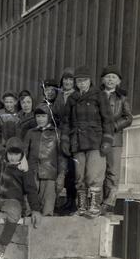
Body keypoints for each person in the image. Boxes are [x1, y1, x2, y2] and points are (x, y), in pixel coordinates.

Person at [61, 65, 114, 218]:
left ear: (90, 81)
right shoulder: (72, 99)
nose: (81, 84)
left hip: (95, 141)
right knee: (79, 176)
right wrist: (65, 141)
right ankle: (82, 207)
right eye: (79, 81)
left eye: (84, 80)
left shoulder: (99, 95)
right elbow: (66, 122)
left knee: (93, 174)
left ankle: (95, 207)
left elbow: (108, 120)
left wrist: (107, 140)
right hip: (77, 143)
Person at [100, 65, 133, 213]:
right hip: (98, 139)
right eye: (108, 77)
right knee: (99, 171)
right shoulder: (97, 95)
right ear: (102, 80)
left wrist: (114, 126)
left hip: (114, 140)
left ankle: (108, 203)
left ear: (118, 81)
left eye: (114, 77)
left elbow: (128, 118)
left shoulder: (122, 98)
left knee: (112, 172)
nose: (110, 80)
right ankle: (97, 202)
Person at [24, 103, 67, 216]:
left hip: (50, 174)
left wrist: (61, 174)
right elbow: (24, 153)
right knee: (30, 207)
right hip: (32, 172)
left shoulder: (57, 133)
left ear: (49, 117)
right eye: (38, 116)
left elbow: (61, 156)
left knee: (47, 210)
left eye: (43, 116)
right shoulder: (30, 133)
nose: (40, 119)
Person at [54, 68, 77, 214]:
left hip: (73, 135)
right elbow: (55, 114)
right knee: (63, 169)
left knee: (74, 170)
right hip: (61, 135)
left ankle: (72, 202)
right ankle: (64, 202)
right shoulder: (59, 96)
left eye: (70, 79)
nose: (67, 82)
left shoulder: (77, 95)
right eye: (65, 79)